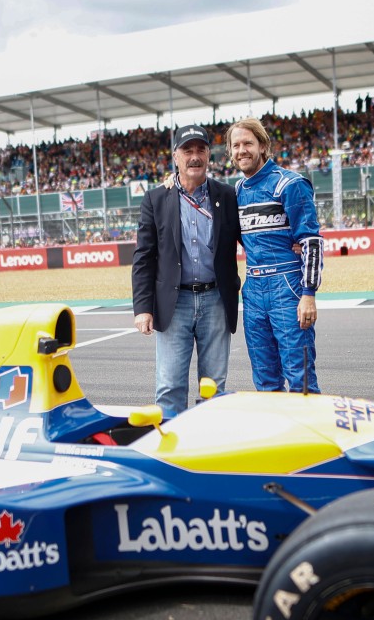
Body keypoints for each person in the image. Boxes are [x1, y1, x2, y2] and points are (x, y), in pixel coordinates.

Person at [131, 125, 241, 418]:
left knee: (214, 388)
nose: (194, 156)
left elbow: (252, 237)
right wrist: (143, 308)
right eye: (187, 150)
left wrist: (287, 244)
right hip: (173, 303)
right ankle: (170, 456)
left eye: (200, 150)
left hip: (216, 300)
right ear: (175, 157)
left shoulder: (228, 195)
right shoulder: (156, 199)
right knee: (169, 388)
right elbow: (144, 257)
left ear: (208, 155)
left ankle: (207, 452)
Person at [228, 117, 324, 393]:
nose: (241, 150)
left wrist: (308, 294)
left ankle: (309, 434)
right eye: (236, 145)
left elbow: (312, 242)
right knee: (265, 378)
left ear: (262, 145)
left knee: (300, 377)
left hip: (289, 287)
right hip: (253, 288)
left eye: (248, 143)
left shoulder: (290, 184)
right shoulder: (235, 191)